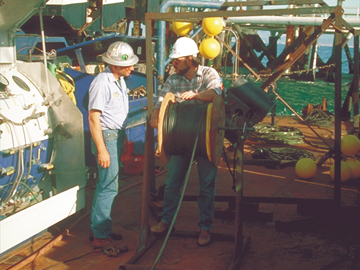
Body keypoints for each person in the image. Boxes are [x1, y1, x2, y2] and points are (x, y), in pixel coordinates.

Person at [149, 37, 223, 247]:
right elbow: (161, 100)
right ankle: (166, 222)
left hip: (206, 140)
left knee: (206, 186)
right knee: (172, 183)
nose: (173, 64)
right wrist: (156, 117)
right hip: (180, 140)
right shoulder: (173, 79)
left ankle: (205, 228)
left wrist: (198, 95)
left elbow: (216, 93)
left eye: (177, 60)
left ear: (190, 59)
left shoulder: (209, 74)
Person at [88, 41, 138, 250]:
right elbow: (93, 117)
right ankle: (100, 235)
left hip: (115, 136)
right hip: (106, 137)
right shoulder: (102, 82)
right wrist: (102, 149)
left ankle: (102, 229)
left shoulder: (119, 81)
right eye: (128, 65)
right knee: (108, 186)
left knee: (110, 185)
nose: (132, 68)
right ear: (114, 65)